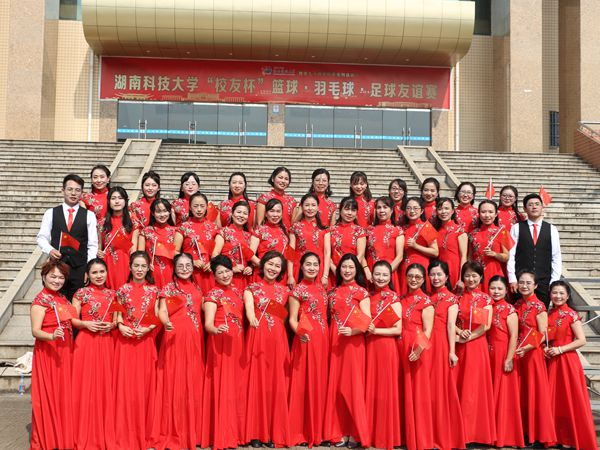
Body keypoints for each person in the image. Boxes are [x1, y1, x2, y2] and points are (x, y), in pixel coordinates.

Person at [152, 252, 205, 449]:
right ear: (174, 268)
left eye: (188, 265)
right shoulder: (168, 288)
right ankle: (172, 430)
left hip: (195, 338)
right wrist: (165, 322)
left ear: (193, 267)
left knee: (192, 379)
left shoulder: (198, 287)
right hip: (174, 336)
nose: (184, 269)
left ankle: (192, 431)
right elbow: (162, 310)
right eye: (180, 266)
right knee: (174, 380)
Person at [243, 251, 291, 447]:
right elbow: (249, 310)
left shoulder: (285, 291)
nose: (273, 268)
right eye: (270, 264)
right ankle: (255, 432)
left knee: (274, 384)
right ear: (263, 265)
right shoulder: (251, 288)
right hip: (258, 337)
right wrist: (252, 318)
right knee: (257, 382)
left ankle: (272, 432)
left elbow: (286, 318)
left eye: (277, 266)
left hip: (277, 340)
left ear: (281, 270)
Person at [113, 251, 160, 449]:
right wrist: (121, 326)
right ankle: (124, 433)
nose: (139, 270)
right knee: (125, 387)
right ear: (130, 267)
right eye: (136, 266)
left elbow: (157, 315)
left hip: (145, 341)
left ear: (148, 268)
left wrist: (148, 328)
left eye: (143, 266)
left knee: (144, 387)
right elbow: (117, 315)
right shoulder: (122, 290)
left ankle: (144, 432)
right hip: (125, 342)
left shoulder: (155, 291)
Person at [324, 254, 370, 448]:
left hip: (353, 343)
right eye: (344, 267)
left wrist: (353, 331)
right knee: (336, 386)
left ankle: (356, 432)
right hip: (335, 341)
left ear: (356, 269)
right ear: (339, 269)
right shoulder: (332, 293)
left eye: (351, 267)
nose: (347, 270)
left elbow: (367, 320)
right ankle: (339, 431)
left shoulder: (362, 292)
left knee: (352, 386)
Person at [201, 255, 246, 450]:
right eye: (220, 272)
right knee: (222, 386)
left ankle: (235, 433)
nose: (225, 275)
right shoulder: (212, 295)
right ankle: (222, 434)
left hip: (237, 343)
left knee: (235, 386)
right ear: (214, 275)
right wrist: (216, 329)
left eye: (227, 271)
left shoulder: (237, 291)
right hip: (220, 343)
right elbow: (208, 324)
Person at [545, 280, 597, 450]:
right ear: (550, 294)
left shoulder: (571, 314)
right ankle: (555, 437)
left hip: (567, 361)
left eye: (561, 293)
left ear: (568, 296)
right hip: (552, 360)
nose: (558, 296)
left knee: (569, 399)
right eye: (554, 292)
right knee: (554, 400)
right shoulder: (548, 313)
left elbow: (581, 340)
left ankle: (572, 438)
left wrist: (560, 349)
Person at [71, 258, 117, 450]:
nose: (99, 276)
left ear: (107, 273)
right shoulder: (80, 294)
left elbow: (117, 319)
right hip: (86, 342)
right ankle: (83, 432)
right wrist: (85, 324)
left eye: (102, 272)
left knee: (106, 386)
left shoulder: (114, 294)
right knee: (85, 386)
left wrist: (112, 325)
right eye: (94, 272)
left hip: (107, 342)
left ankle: (104, 433)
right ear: (87, 275)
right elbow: (73, 319)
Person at [29, 259, 74, 450]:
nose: (57, 280)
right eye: (53, 276)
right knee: (51, 396)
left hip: (66, 351)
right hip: (49, 352)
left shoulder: (62, 298)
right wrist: (51, 336)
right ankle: (50, 439)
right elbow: (35, 331)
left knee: (64, 395)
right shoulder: (40, 301)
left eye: (61, 277)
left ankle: (63, 436)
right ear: (44, 276)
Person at [288, 252, 330, 447]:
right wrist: (299, 333)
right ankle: (302, 432)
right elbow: (292, 319)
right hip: (306, 338)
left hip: (323, 339)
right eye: (308, 264)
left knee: (320, 382)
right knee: (304, 382)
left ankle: (318, 430)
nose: (312, 268)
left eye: (315, 264)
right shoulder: (297, 290)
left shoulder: (322, 288)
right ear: (302, 267)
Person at [36, 173, 99, 299]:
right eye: (70, 189)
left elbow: (92, 244)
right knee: (55, 301)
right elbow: (41, 237)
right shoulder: (51, 213)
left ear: (82, 193)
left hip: (79, 268)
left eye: (77, 190)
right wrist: (50, 250)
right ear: (63, 190)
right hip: (57, 268)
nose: (73, 193)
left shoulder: (89, 215)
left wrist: (88, 268)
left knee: (78, 302)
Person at [454, 261, 496, 446]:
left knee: (473, 389)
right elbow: (450, 322)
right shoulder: (457, 298)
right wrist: (459, 332)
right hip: (459, 344)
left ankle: (473, 433)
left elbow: (484, 326)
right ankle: (458, 432)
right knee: (459, 387)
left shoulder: (483, 299)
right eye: (467, 275)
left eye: (474, 276)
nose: (470, 279)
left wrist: (468, 337)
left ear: (481, 278)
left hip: (476, 346)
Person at [514, 270, 557, 447]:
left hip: (532, 354)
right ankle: (524, 431)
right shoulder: (517, 304)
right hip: (519, 353)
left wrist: (526, 348)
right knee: (522, 393)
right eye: (521, 282)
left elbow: (542, 333)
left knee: (535, 392)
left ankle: (538, 434)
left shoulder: (539, 306)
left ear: (535, 286)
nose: (524, 286)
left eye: (528, 283)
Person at [427, 260, 466, 450]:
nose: (436, 278)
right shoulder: (427, 297)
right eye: (432, 274)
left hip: (440, 345)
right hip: (426, 345)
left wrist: (451, 351)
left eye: (439, 274)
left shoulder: (451, 299)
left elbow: (451, 326)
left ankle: (441, 436)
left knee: (440, 388)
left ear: (447, 277)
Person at [365, 261, 402, 450]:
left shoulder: (393, 298)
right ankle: (368, 434)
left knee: (384, 390)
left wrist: (376, 331)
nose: (380, 278)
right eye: (377, 274)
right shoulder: (368, 295)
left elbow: (397, 329)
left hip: (385, 347)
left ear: (390, 277)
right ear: (372, 275)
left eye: (385, 275)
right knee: (370, 388)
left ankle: (384, 435)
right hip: (369, 347)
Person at [398, 263, 435, 450]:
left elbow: (428, 330)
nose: (413, 280)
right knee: (403, 389)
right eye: (410, 276)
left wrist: (419, 350)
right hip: (400, 345)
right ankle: (405, 436)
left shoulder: (426, 302)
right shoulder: (401, 299)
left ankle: (420, 438)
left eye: (418, 277)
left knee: (418, 391)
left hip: (417, 347)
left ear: (423, 280)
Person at [487, 275, 524, 448]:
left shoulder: (509, 310)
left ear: (506, 290)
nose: (496, 291)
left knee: (503, 395)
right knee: (491, 393)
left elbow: (514, 336)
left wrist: (509, 358)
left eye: (499, 288)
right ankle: (490, 434)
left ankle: (504, 436)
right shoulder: (486, 307)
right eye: (493, 288)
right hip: (488, 354)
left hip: (503, 353)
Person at [507, 193, 562, 307]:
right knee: (520, 310)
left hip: (544, 282)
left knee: (541, 312)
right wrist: (512, 278)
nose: (534, 207)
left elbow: (556, 257)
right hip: (521, 282)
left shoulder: (552, 229)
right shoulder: (516, 228)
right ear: (525, 209)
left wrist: (554, 281)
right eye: (530, 204)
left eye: (537, 204)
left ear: (542, 207)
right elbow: (511, 255)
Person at [174, 192, 218, 293]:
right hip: (188, 272)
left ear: (206, 207)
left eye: (202, 206)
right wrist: (192, 262)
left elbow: (217, 252)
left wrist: (212, 263)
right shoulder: (183, 227)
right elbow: (175, 251)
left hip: (208, 272)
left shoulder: (213, 227)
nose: (199, 209)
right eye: (195, 206)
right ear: (190, 207)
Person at [98, 186, 137, 290]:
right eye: (113, 198)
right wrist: (99, 252)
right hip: (108, 262)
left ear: (125, 201)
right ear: (109, 201)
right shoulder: (102, 222)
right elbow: (100, 246)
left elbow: (134, 248)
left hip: (126, 263)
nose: (117, 201)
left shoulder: (133, 221)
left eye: (120, 198)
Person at [288, 193, 331, 287]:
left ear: (318, 207)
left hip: (318, 268)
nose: (310, 208)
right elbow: (290, 251)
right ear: (302, 207)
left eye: (313, 205)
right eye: (307, 205)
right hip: (299, 267)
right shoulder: (295, 227)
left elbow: (327, 253)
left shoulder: (324, 229)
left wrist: (325, 275)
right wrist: (290, 275)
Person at [399, 197, 438, 295]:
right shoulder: (402, 228)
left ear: (421, 211)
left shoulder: (427, 227)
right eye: (408, 208)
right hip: (405, 267)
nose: (412, 211)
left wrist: (416, 246)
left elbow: (435, 252)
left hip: (421, 266)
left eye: (415, 208)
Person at [469, 200, 511, 292]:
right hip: (477, 273)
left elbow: (506, 257)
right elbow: (470, 257)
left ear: (496, 214)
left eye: (491, 212)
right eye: (483, 212)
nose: (487, 215)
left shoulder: (502, 232)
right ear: (479, 214)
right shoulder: (473, 234)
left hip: (494, 272)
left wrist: (495, 254)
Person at [212, 200, 253, 291]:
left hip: (244, 278)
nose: (241, 215)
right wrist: (232, 268)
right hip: (226, 277)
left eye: (245, 213)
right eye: (239, 212)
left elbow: (251, 259)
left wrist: (250, 268)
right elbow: (215, 255)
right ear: (232, 214)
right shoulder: (223, 232)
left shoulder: (249, 236)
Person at [365, 196, 404, 291]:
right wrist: (367, 271)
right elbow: (362, 254)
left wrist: (386, 274)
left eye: (385, 207)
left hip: (390, 271)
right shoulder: (369, 230)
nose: (381, 210)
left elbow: (399, 257)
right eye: (379, 207)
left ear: (391, 210)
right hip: (371, 273)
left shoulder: (397, 230)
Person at [138, 198, 177, 289]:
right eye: (158, 212)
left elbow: (178, 253)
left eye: (165, 211)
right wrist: (146, 264)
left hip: (170, 271)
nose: (162, 215)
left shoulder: (176, 232)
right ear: (152, 213)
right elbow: (140, 254)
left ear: (169, 212)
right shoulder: (146, 231)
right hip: (151, 271)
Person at [432, 197, 467, 292]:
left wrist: (461, 278)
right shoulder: (435, 231)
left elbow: (464, 256)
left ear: (452, 211)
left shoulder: (459, 230)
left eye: (446, 208)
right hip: (439, 271)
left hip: (455, 269)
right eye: (440, 209)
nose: (443, 212)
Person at [329, 197, 367, 284]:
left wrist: (349, 270)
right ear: (340, 210)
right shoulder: (331, 230)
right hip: (333, 273)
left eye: (353, 210)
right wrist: (335, 270)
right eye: (346, 209)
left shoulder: (359, 231)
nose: (350, 213)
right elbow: (327, 253)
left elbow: (360, 255)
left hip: (352, 274)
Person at [249, 198, 289, 280]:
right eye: (272, 211)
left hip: (280, 274)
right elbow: (250, 254)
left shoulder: (285, 231)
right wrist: (264, 266)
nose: (275, 214)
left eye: (278, 211)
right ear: (266, 214)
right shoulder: (260, 230)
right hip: (263, 274)